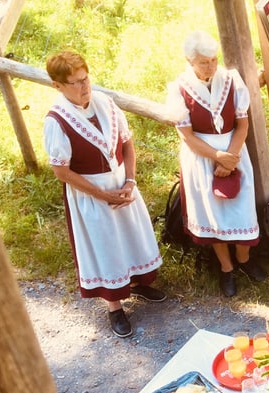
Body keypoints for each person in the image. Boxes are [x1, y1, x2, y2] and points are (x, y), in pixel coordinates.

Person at [43, 51, 166, 339]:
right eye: (75, 83)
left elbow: (127, 144)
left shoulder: (105, 104)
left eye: (85, 79)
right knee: (106, 244)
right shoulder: (56, 121)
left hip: (122, 183)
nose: (84, 87)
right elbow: (62, 172)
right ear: (57, 86)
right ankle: (114, 306)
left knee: (131, 234)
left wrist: (130, 181)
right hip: (91, 193)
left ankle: (138, 282)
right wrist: (101, 194)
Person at [166, 30, 268, 297]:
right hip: (201, 155)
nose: (210, 66)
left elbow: (242, 123)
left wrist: (231, 158)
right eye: (203, 62)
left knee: (242, 208)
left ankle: (245, 259)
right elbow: (186, 135)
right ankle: (226, 268)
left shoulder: (232, 80)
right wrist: (217, 157)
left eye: (213, 60)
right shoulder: (178, 88)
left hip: (234, 150)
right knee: (213, 213)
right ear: (190, 61)